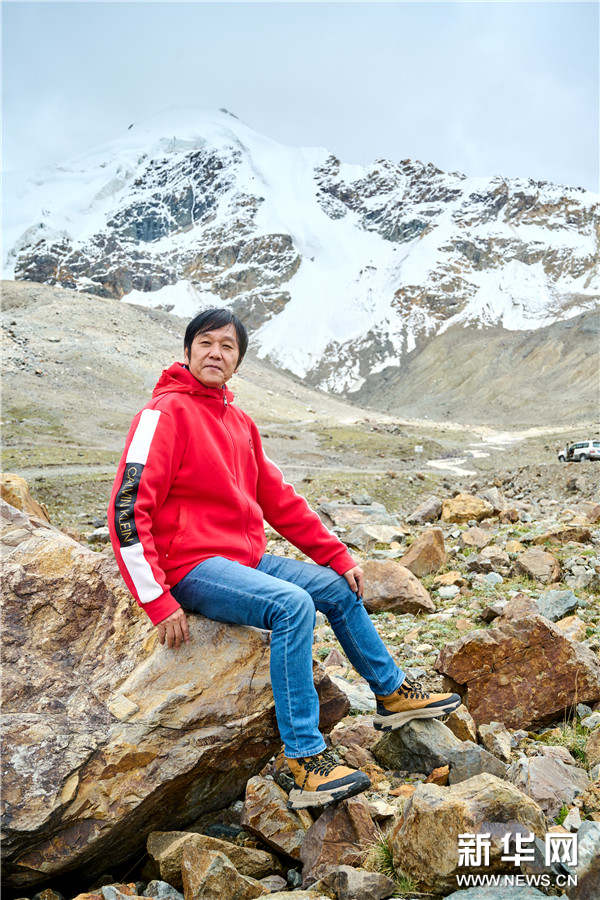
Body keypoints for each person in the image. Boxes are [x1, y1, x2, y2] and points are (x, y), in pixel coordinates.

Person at [108, 308, 460, 809]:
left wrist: (336, 556)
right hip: (190, 567)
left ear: (237, 362)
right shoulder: (162, 415)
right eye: (206, 342)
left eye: (228, 347)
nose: (215, 353)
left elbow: (279, 500)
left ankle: (391, 692)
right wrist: (156, 600)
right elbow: (126, 507)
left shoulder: (238, 422)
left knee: (336, 588)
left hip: (243, 561)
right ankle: (304, 757)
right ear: (187, 351)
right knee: (292, 605)